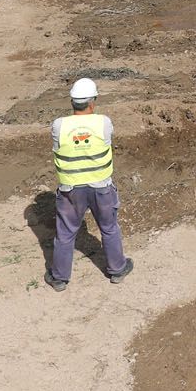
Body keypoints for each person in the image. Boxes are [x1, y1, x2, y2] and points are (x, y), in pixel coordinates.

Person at [45, 77, 133, 290]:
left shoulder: (59, 125)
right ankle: (117, 269)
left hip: (70, 190)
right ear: (92, 101)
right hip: (101, 187)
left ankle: (59, 278)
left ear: (72, 101)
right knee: (109, 227)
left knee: (65, 233)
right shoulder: (103, 122)